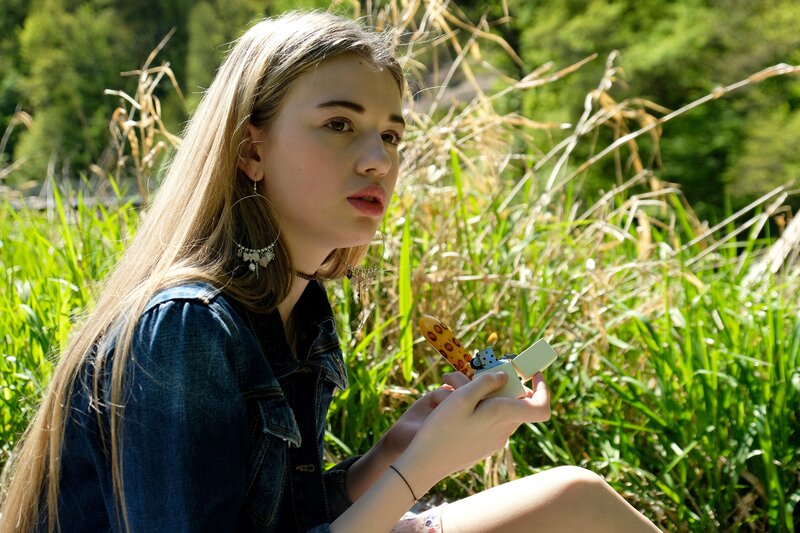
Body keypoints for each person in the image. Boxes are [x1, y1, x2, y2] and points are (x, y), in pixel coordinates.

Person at [0, 10, 661, 533]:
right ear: (251, 151)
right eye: (340, 124)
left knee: (575, 499)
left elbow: (276, 515)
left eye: (392, 135)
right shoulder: (184, 327)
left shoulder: (298, 309)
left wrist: (392, 454)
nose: (379, 160)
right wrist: (421, 469)